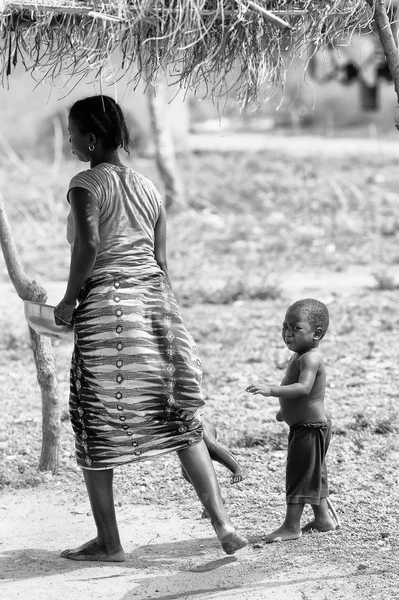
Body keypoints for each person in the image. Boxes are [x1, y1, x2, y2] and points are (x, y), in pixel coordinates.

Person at [54, 95, 247, 562]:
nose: (70, 139)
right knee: (180, 420)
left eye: (73, 131)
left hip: (106, 307)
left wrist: (68, 299)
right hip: (157, 305)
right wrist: (170, 320)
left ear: (92, 138)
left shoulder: (85, 184)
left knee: (93, 422)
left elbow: (90, 246)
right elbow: (161, 262)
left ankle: (109, 541)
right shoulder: (147, 187)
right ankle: (223, 527)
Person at [246, 298, 336, 543]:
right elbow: (299, 396)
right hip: (307, 426)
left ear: (317, 333)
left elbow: (303, 388)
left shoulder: (310, 358)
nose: (287, 334)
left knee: (298, 474)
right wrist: (283, 412)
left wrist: (271, 390)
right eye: (285, 327)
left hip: (309, 429)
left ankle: (291, 526)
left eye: (296, 328)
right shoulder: (299, 356)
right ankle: (323, 520)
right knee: (315, 473)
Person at [181, 416, 246, 518]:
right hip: (182, 428)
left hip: (196, 422)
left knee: (210, 447)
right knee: (187, 472)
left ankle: (238, 469)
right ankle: (216, 500)